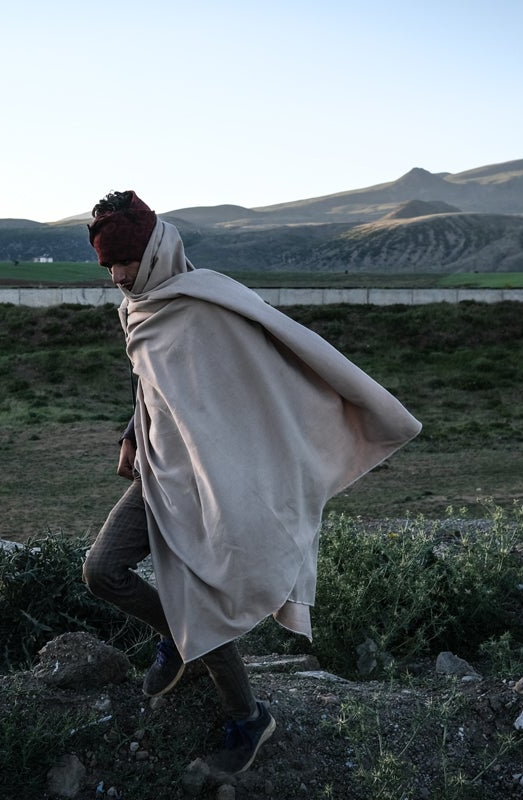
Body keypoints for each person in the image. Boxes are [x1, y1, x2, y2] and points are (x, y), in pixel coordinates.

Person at [81, 190, 421, 775]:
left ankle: (248, 719)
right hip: (165, 471)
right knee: (102, 571)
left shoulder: (209, 304)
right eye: (107, 266)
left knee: (203, 607)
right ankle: (177, 636)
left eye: (122, 263)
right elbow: (156, 385)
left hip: (218, 478)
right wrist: (132, 431)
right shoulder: (140, 308)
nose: (115, 276)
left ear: (154, 253)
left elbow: (265, 381)